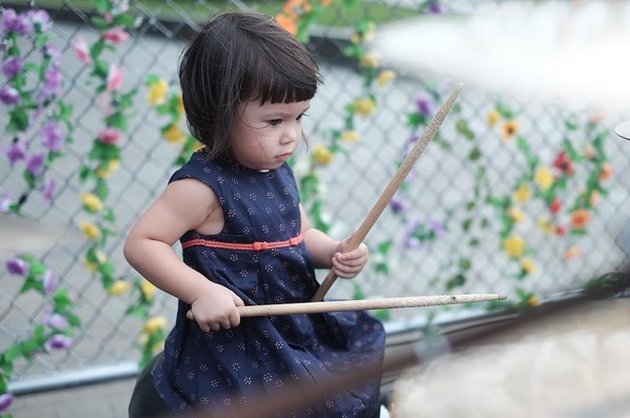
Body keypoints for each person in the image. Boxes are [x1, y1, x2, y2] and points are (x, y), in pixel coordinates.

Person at [124, 11, 385, 418]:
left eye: (300, 117)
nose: (292, 135)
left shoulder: (277, 171)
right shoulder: (201, 188)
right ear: (219, 112)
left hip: (291, 325)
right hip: (235, 346)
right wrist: (201, 291)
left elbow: (299, 235)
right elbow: (143, 243)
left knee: (351, 364)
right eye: (274, 120)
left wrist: (335, 250)